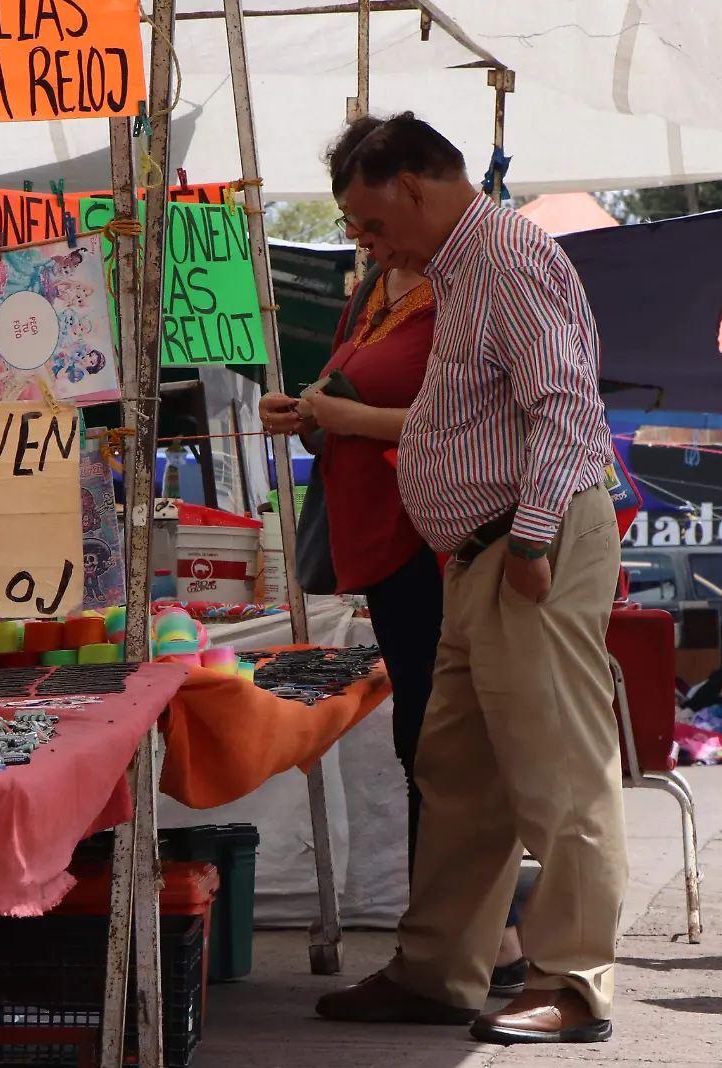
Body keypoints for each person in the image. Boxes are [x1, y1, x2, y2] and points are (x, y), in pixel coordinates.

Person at [311, 112, 624, 1046]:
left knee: (561, 773)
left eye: (370, 223)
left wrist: (529, 544)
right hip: (480, 552)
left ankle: (575, 984)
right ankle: (437, 968)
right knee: (458, 770)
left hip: (529, 541)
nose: (369, 244)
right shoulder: (460, 266)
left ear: (411, 185)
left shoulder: (508, 258)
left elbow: (569, 408)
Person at [259, 258, 533, 997]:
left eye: (366, 214)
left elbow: (479, 420)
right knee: (425, 736)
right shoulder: (374, 292)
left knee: (446, 737)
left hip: (442, 536)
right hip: (383, 538)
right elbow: (342, 401)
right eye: (348, 216)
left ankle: (485, 937)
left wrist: (350, 418)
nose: (355, 231)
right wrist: (309, 413)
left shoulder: (471, 288)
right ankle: (468, 938)